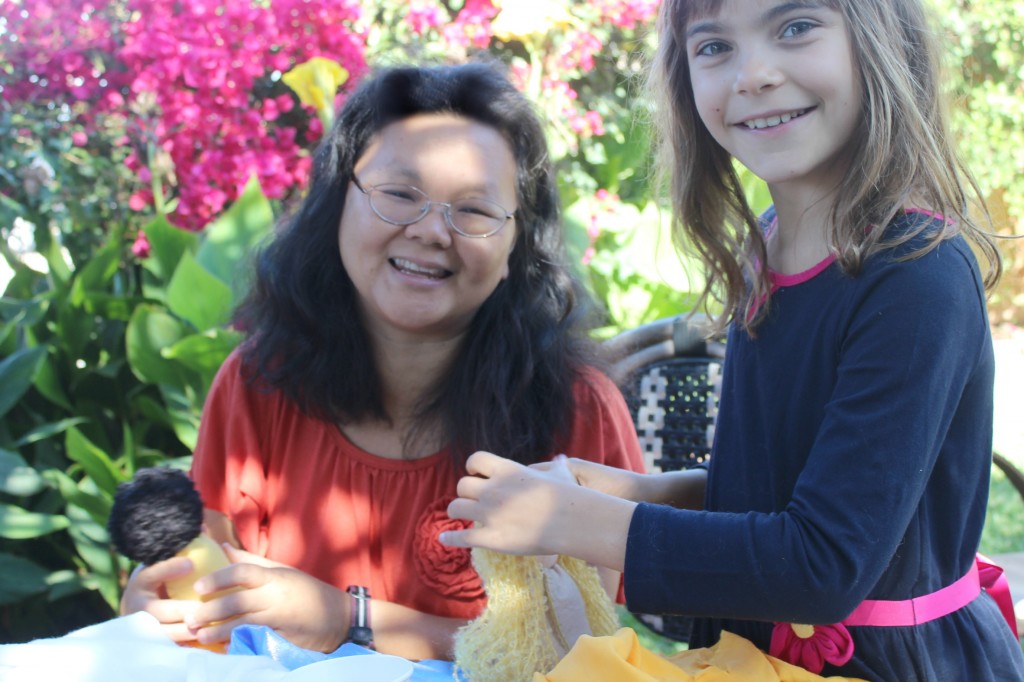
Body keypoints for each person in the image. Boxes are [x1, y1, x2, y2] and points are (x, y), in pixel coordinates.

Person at [441, 1, 1024, 679]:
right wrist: (621, 491)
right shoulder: (767, 248)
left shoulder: (915, 273)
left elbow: (822, 563)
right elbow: (778, 493)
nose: (753, 74)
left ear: (879, 40)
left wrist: (574, 521)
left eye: (795, 27)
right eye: (714, 46)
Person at [118, 61, 646, 661]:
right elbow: (205, 599)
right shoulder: (257, 383)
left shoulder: (577, 410)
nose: (430, 231)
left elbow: (580, 655)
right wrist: (159, 611)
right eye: (399, 194)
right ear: (337, 203)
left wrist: (348, 619)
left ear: (515, 247)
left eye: (473, 210)